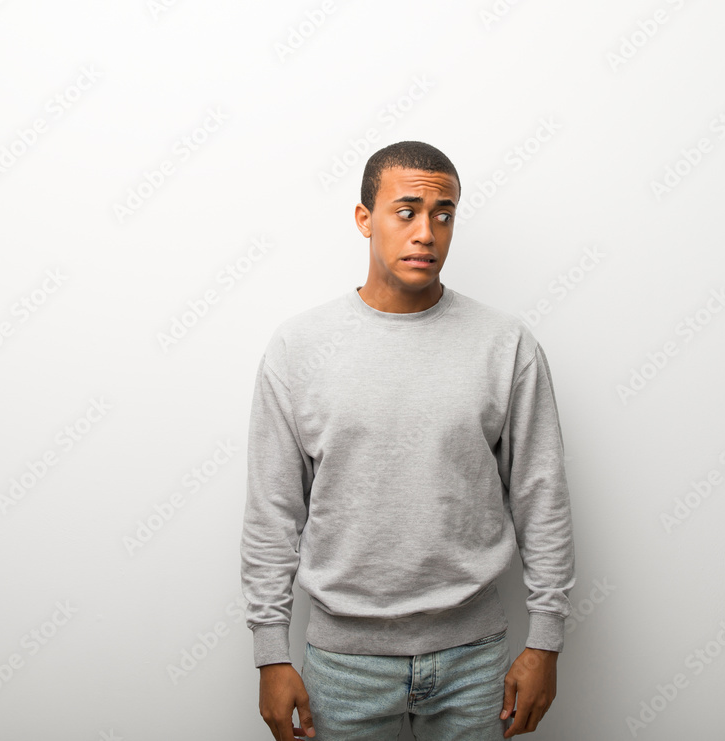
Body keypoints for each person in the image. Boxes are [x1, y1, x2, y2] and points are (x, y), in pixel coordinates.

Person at [240, 140, 576, 740]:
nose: (427, 231)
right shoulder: (299, 349)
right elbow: (273, 512)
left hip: (475, 658)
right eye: (407, 211)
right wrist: (270, 651)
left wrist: (545, 641)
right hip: (344, 663)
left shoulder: (505, 345)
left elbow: (540, 496)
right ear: (365, 219)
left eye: (443, 214)